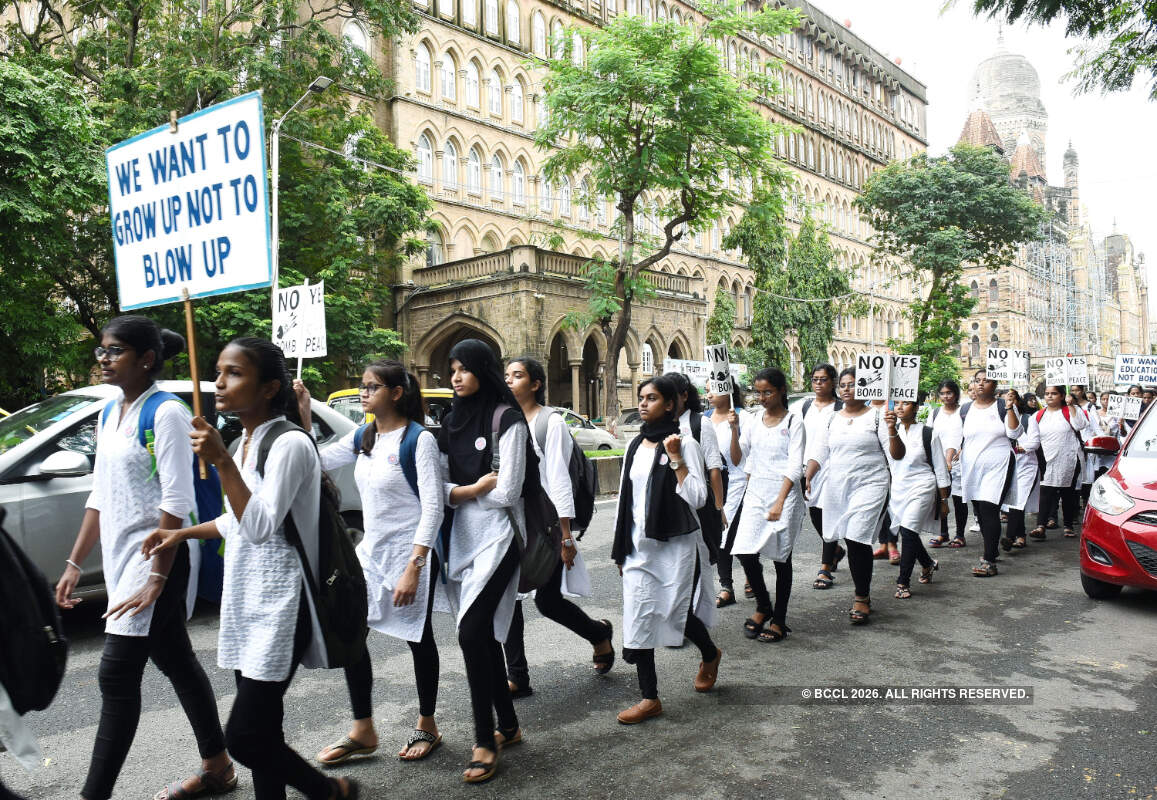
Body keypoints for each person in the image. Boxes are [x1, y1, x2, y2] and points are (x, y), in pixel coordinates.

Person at [141, 338, 355, 800]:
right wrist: (182, 534)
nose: (219, 382)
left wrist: (219, 461)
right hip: (246, 600)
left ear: (269, 387)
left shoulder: (291, 444)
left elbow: (259, 525)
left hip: (284, 604)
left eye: (234, 373)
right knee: (265, 731)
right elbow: (235, 521)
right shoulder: (242, 442)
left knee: (243, 737)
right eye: (218, 371)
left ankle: (329, 792)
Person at [55, 316, 233, 800]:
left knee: (116, 674)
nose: (104, 359)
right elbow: (99, 494)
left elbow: (176, 500)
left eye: (114, 351)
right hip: (120, 558)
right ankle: (218, 765)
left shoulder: (168, 413)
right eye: (102, 352)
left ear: (147, 358)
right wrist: (74, 563)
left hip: (158, 556)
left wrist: (157, 577)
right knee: (175, 658)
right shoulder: (109, 412)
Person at [293, 361, 445, 766]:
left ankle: (427, 723)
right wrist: (304, 415)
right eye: (362, 386)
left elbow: (433, 507)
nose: (363, 393)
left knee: (417, 637)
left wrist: (415, 566)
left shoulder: (418, 440)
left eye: (372, 387)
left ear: (396, 393)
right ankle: (363, 728)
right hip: (370, 554)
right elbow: (314, 462)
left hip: (409, 553)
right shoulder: (365, 436)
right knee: (351, 631)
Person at [437, 339, 528, 783]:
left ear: (482, 370)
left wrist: (459, 494)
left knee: (472, 633)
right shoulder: (447, 422)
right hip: (461, 542)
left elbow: (509, 491)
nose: (456, 376)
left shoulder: (506, 419)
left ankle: (484, 739)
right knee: (481, 637)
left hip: (500, 539)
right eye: (452, 369)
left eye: (465, 368)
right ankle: (507, 724)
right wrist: (472, 490)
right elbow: (437, 492)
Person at [501, 357, 614, 697]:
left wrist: (566, 535)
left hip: (546, 526)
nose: (509, 381)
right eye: (506, 375)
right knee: (509, 598)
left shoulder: (550, 423)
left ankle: (597, 634)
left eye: (517, 375)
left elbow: (559, 479)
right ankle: (517, 676)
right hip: (512, 522)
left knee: (547, 602)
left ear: (535, 384)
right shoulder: (504, 421)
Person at [612, 376, 721, 724]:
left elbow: (698, 498)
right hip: (639, 547)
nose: (643, 403)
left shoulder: (684, 443)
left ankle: (709, 652)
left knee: (674, 614)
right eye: (641, 397)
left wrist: (676, 459)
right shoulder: (634, 446)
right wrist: (620, 548)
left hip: (675, 544)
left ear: (671, 404)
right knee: (639, 615)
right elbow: (623, 502)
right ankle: (649, 697)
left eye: (652, 398)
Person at [804, 368, 902, 624]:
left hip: (871, 484)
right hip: (839, 486)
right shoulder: (831, 419)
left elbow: (897, 454)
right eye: (844, 385)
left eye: (854, 384)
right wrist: (808, 475)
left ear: (866, 388)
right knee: (848, 537)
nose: (847, 389)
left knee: (857, 538)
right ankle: (861, 590)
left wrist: (893, 430)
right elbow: (819, 451)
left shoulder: (879, 417)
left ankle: (862, 597)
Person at [730, 368, 805, 642]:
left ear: (782, 390)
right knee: (744, 551)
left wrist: (780, 502)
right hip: (756, 494)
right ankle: (763, 605)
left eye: (767, 392)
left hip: (784, 495)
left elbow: (795, 465)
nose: (761, 398)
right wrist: (734, 429)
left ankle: (780, 619)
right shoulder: (752, 421)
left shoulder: (794, 422)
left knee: (780, 558)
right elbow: (739, 458)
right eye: (758, 392)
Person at [953, 370, 1021, 577]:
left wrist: (1010, 409)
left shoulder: (1003, 406)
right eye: (977, 380)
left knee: (989, 508)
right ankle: (991, 548)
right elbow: (962, 438)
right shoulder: (965, 409)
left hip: (998, 465)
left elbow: (1015, 433)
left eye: (986, 381)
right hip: (973, 467)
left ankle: (989, 560)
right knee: (980, 512)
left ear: (995, 384)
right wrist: (953, 454)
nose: (981, 384)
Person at [887, 395, 949, 599]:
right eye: (897, 403)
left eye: (905, 403)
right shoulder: (888, 431)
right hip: (899, 489)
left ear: (916, 407)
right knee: (909, 533)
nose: (900, 407)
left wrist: (943, 500)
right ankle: (928, 564)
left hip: (922, 486)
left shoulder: (928, 433)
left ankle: (903, 582)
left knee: (908, 530)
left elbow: (940, 468)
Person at [799, 364, 846, 591]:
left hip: (832, 468)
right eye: (815, 379)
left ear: (833, 382)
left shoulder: (840, 408)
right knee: (815, 513)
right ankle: (835, 549)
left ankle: (825, 567)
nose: (819, 383)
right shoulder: (805, 406)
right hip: (809, 468)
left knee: (828, 514)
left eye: (824, 379)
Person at [1022, 386, 1089, 539]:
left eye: (1054, 393)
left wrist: (1071, 405)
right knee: (1045, 492)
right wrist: (1022, 448)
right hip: (1047, 458)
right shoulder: (1037, 416)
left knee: (1068, 492)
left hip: (1069, 457)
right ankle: (1040, 526)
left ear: (1062, 395)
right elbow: (1034, 441)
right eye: (1047, 394)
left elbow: (1080, 425)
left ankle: (1068, 525)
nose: (1050, 396)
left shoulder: (1070, 411)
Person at [707, 383, 750, 608]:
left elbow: (736, 459)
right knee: (721, 535)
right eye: (707, 390)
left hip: (738, 483)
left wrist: (735, 429)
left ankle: (746, 575)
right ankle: (728, 586)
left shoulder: (743, 417)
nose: (709, 394)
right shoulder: (703, 419)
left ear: (728, 391)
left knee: (732, 535)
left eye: (713, 389)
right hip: (715, 483)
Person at [928, 379, 968, 549]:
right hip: (939, 462)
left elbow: (969, 434)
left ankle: (959, 535)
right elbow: (928, 436)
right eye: (943, 393)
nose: (946, 396)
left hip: (960, 462)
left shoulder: (964, 413)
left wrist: (963, 449)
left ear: (956, 394)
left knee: (959, 500)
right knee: (940, 498)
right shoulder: (935, 413)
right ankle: (943, 533)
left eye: (949, 393)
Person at [1000, 389, 1038, 551]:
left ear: (1017, 401)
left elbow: (1035, 443)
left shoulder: (1029, 419)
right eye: (1003, 400)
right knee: (1012, 503)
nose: (1007, 402)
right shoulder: (998, 420)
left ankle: (1009, 537)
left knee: (1018, 500)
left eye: (1011, 398)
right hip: (1006, 466)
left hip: (1026, 466)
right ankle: (1020, 536)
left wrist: (1020, 449)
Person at [869, 399, 900, 565]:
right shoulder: (864, 405)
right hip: (871, 465)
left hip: (893, 462)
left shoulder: (894, 404)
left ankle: (892, 544)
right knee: (878, 506)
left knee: (891, 506)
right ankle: (883, 544)